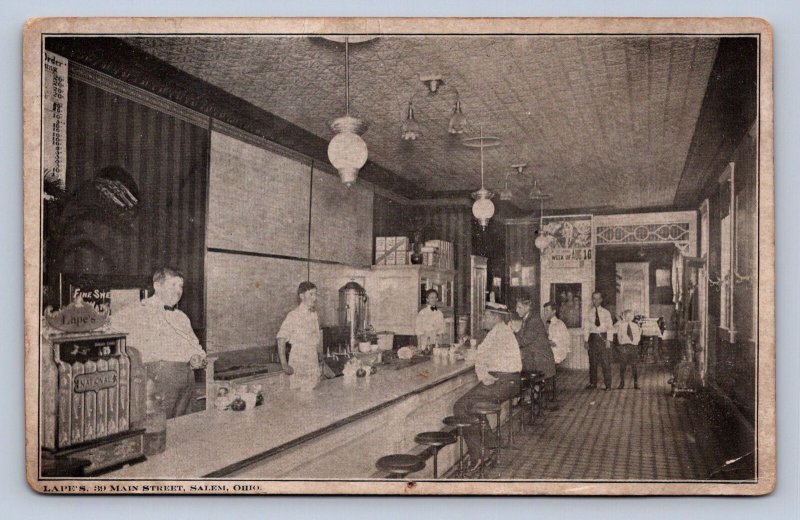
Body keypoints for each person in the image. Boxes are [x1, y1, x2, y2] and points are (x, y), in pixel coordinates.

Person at [112, 267, 206, 419]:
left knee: (186, 427)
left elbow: (195, 345)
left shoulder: (182, 317)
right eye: (173, 285)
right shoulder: (136, 311)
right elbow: (111, 330)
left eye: (180, 286)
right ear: (157, 285)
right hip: (159, 380)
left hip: (187, 378)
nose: (178, 290)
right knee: (160, 428)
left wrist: (198, 357)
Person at [452, 308, 522, 473]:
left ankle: (479, 455)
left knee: (460, 407)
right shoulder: (499, 331)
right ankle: (490, 445)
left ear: (494, 317)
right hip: (508, 380)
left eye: (485, 316)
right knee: (472, 404)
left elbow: (480, 356)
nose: (483, 319)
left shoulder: (498, 333)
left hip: (503, 381)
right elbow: (484, 355)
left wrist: (463, 351)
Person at [277, 281, 324, 394]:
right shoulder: (294, 315)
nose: (315, 298)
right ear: (302, 296)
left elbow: (317, 337)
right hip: (299, 361)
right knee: (299, 397)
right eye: (311, 294)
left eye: (315, 294)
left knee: (313, 395)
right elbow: (281, 338)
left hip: (312, 360)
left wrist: (320, 357)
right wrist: (284, 364)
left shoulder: (314, 314)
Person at [511, 299, 555, 380]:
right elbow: (523, 338)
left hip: (541, 360)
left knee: (512, 361)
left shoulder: (533, 320)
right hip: (534, 356)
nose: (516, 310)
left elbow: (523, 341)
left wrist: (515, 331)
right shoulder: (528, 318)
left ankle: (527, 388)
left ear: (527, 307)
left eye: (519, 307)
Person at [583, 291, 615, 390]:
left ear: (601, 299)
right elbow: (586, 328)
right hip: (592, 339)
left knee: (605, 362)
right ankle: (593, 383)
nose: (596, 300)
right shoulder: (589, 313)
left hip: (603, 338)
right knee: (592, 362)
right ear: (592, 300)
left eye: (598, 298)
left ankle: (608, 385)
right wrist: (586, 341)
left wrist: (609, 340)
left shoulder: (606, 313)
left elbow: (610, 327)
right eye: (594, 298)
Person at [615, 309, 642, 389]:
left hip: (633, 347)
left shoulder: (635, 325)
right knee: (622, 366)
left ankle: (636, 383)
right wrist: (622, 344)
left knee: (634, 365)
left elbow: (637, 336)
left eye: (631, 316)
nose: (629, 317)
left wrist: (635, 344)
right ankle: (622, 383)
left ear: (633, 317)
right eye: (627, 316)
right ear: (624, 317)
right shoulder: (621, 326)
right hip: (624, 347)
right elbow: (619, 336)